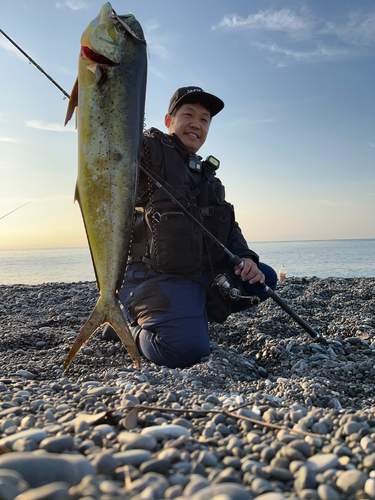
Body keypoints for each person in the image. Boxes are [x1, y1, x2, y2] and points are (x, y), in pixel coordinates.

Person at [104, 86, 277, 368]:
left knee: (264, 279)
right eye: (188, 114)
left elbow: (229, 226)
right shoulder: (148, 151)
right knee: (185, 350)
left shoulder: (209, 177)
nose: (197, 123)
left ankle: (185, 312)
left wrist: (246, 258)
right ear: (168, 120)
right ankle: (126, 327)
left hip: (196, 273)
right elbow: (118, 145)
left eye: (205, 119)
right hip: (148, 275)